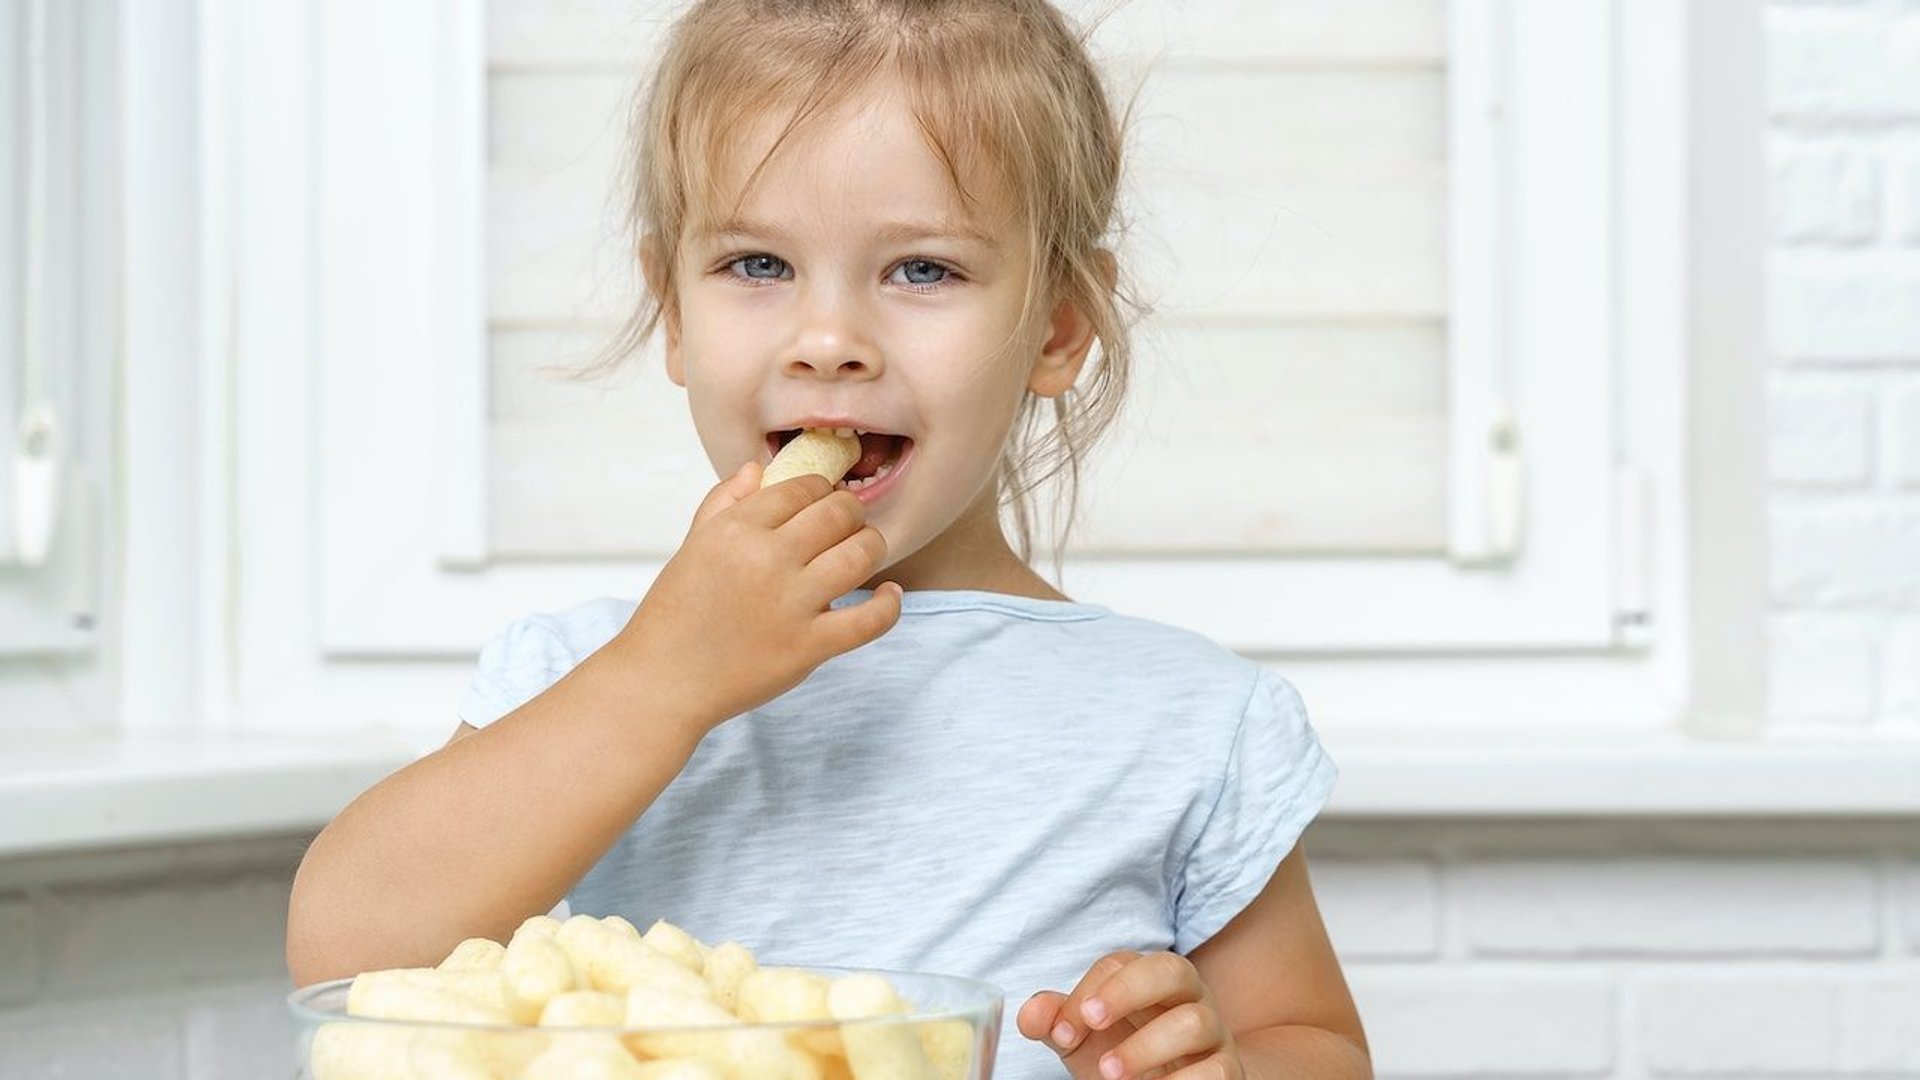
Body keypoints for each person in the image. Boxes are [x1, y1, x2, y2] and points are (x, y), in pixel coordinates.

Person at [287, 1, 1369, 1076]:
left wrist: (1220, 1063)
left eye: (922, 270)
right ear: (671, 308)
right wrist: (665, 677)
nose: (829, 341)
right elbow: (350, 956)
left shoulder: (1185, 720)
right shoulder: (586, 677)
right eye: (757, 265)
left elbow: (1315, 1045)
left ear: (1056, 327)